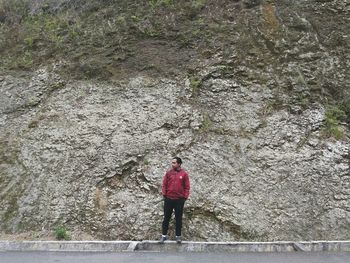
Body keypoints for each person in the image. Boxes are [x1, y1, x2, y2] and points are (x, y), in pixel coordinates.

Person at [159, 157, 190, 244]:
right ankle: (164, 236)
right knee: (166, 218)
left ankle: (178, 236)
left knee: (178, 218)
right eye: (172, 163)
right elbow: (164, 184)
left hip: (179, 200)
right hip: (168, 199)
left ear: (179, 164)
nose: (172, 164)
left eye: (174, 163)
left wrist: (184, 197)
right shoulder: (168, 173)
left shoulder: (184, 174)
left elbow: (187, 187)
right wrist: (164, 195)